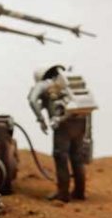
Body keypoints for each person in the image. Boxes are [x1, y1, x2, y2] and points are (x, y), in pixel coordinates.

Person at [28, 64, 88, 202]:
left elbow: (32, 100)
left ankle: (63, 194)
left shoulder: (44, 84)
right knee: (77, 157)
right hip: (80, 121)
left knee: (60, 157)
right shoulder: (66, 85)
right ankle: (80, 192)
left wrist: (41, 119)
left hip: (62, 124)